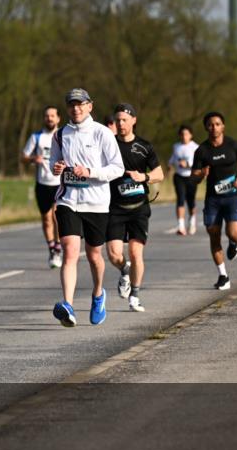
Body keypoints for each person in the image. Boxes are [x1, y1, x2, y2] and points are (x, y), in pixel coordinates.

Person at [49, 89, 124, 327]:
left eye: (80, 104)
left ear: (90, 106)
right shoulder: (60, 134)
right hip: (68, 200)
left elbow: (117, 168)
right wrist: (57, 167)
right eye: (71, 105)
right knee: (70, 251)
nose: (76, 109)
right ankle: (68, 305)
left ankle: (98, 294)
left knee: (94, 256)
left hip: (97, 203)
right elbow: (53, 163)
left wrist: (90, 172)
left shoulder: (102, 133)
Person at [105, 103, 163, 312]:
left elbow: (160, 173)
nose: (121, 124)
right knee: (113, 254)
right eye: (117, 120)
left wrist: (144, 177)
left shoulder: (144, 146)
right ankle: (124, 270)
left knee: (136, 252)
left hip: (139, 208)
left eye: (124, 120)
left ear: (133, 121)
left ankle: (135, 296)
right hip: (115, 208)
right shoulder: (109, 145)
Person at [190, 111, 237, 290]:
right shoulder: (201, 151)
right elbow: (193, 178)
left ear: (223, 126)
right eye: (210, 124)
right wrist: (201, 174)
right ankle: (223, 275)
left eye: (217, 124)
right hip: (213, 200)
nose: (214, 127)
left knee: (233, 233)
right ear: (206, 127)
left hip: (232, 197)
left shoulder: (233, 145)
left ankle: (234, 243)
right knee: (213, 234)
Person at [22, 106, 63, 268]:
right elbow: (23, 157)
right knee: (46, 219)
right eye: (47, 116)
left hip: (59, 183)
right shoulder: (36, 137)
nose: (50, 118)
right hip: (42, 184)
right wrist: (33, 159)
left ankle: (59, 248)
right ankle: (52, 248)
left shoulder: (63, 135)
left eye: (53, 115)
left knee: (57, 217)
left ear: (58, 118)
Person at [168, 124, 199, 236]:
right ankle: (181, 226)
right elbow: (173, 158)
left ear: (191, 135)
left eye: (186, 134)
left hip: (191, 176)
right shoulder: (176, 146)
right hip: (179, 176)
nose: (184, 136)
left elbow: (198, 163)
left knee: (191, 201)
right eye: (182, 134)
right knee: (180, 199)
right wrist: (170, 165)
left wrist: (188, 164)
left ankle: (192, 222)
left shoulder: (195, 147)